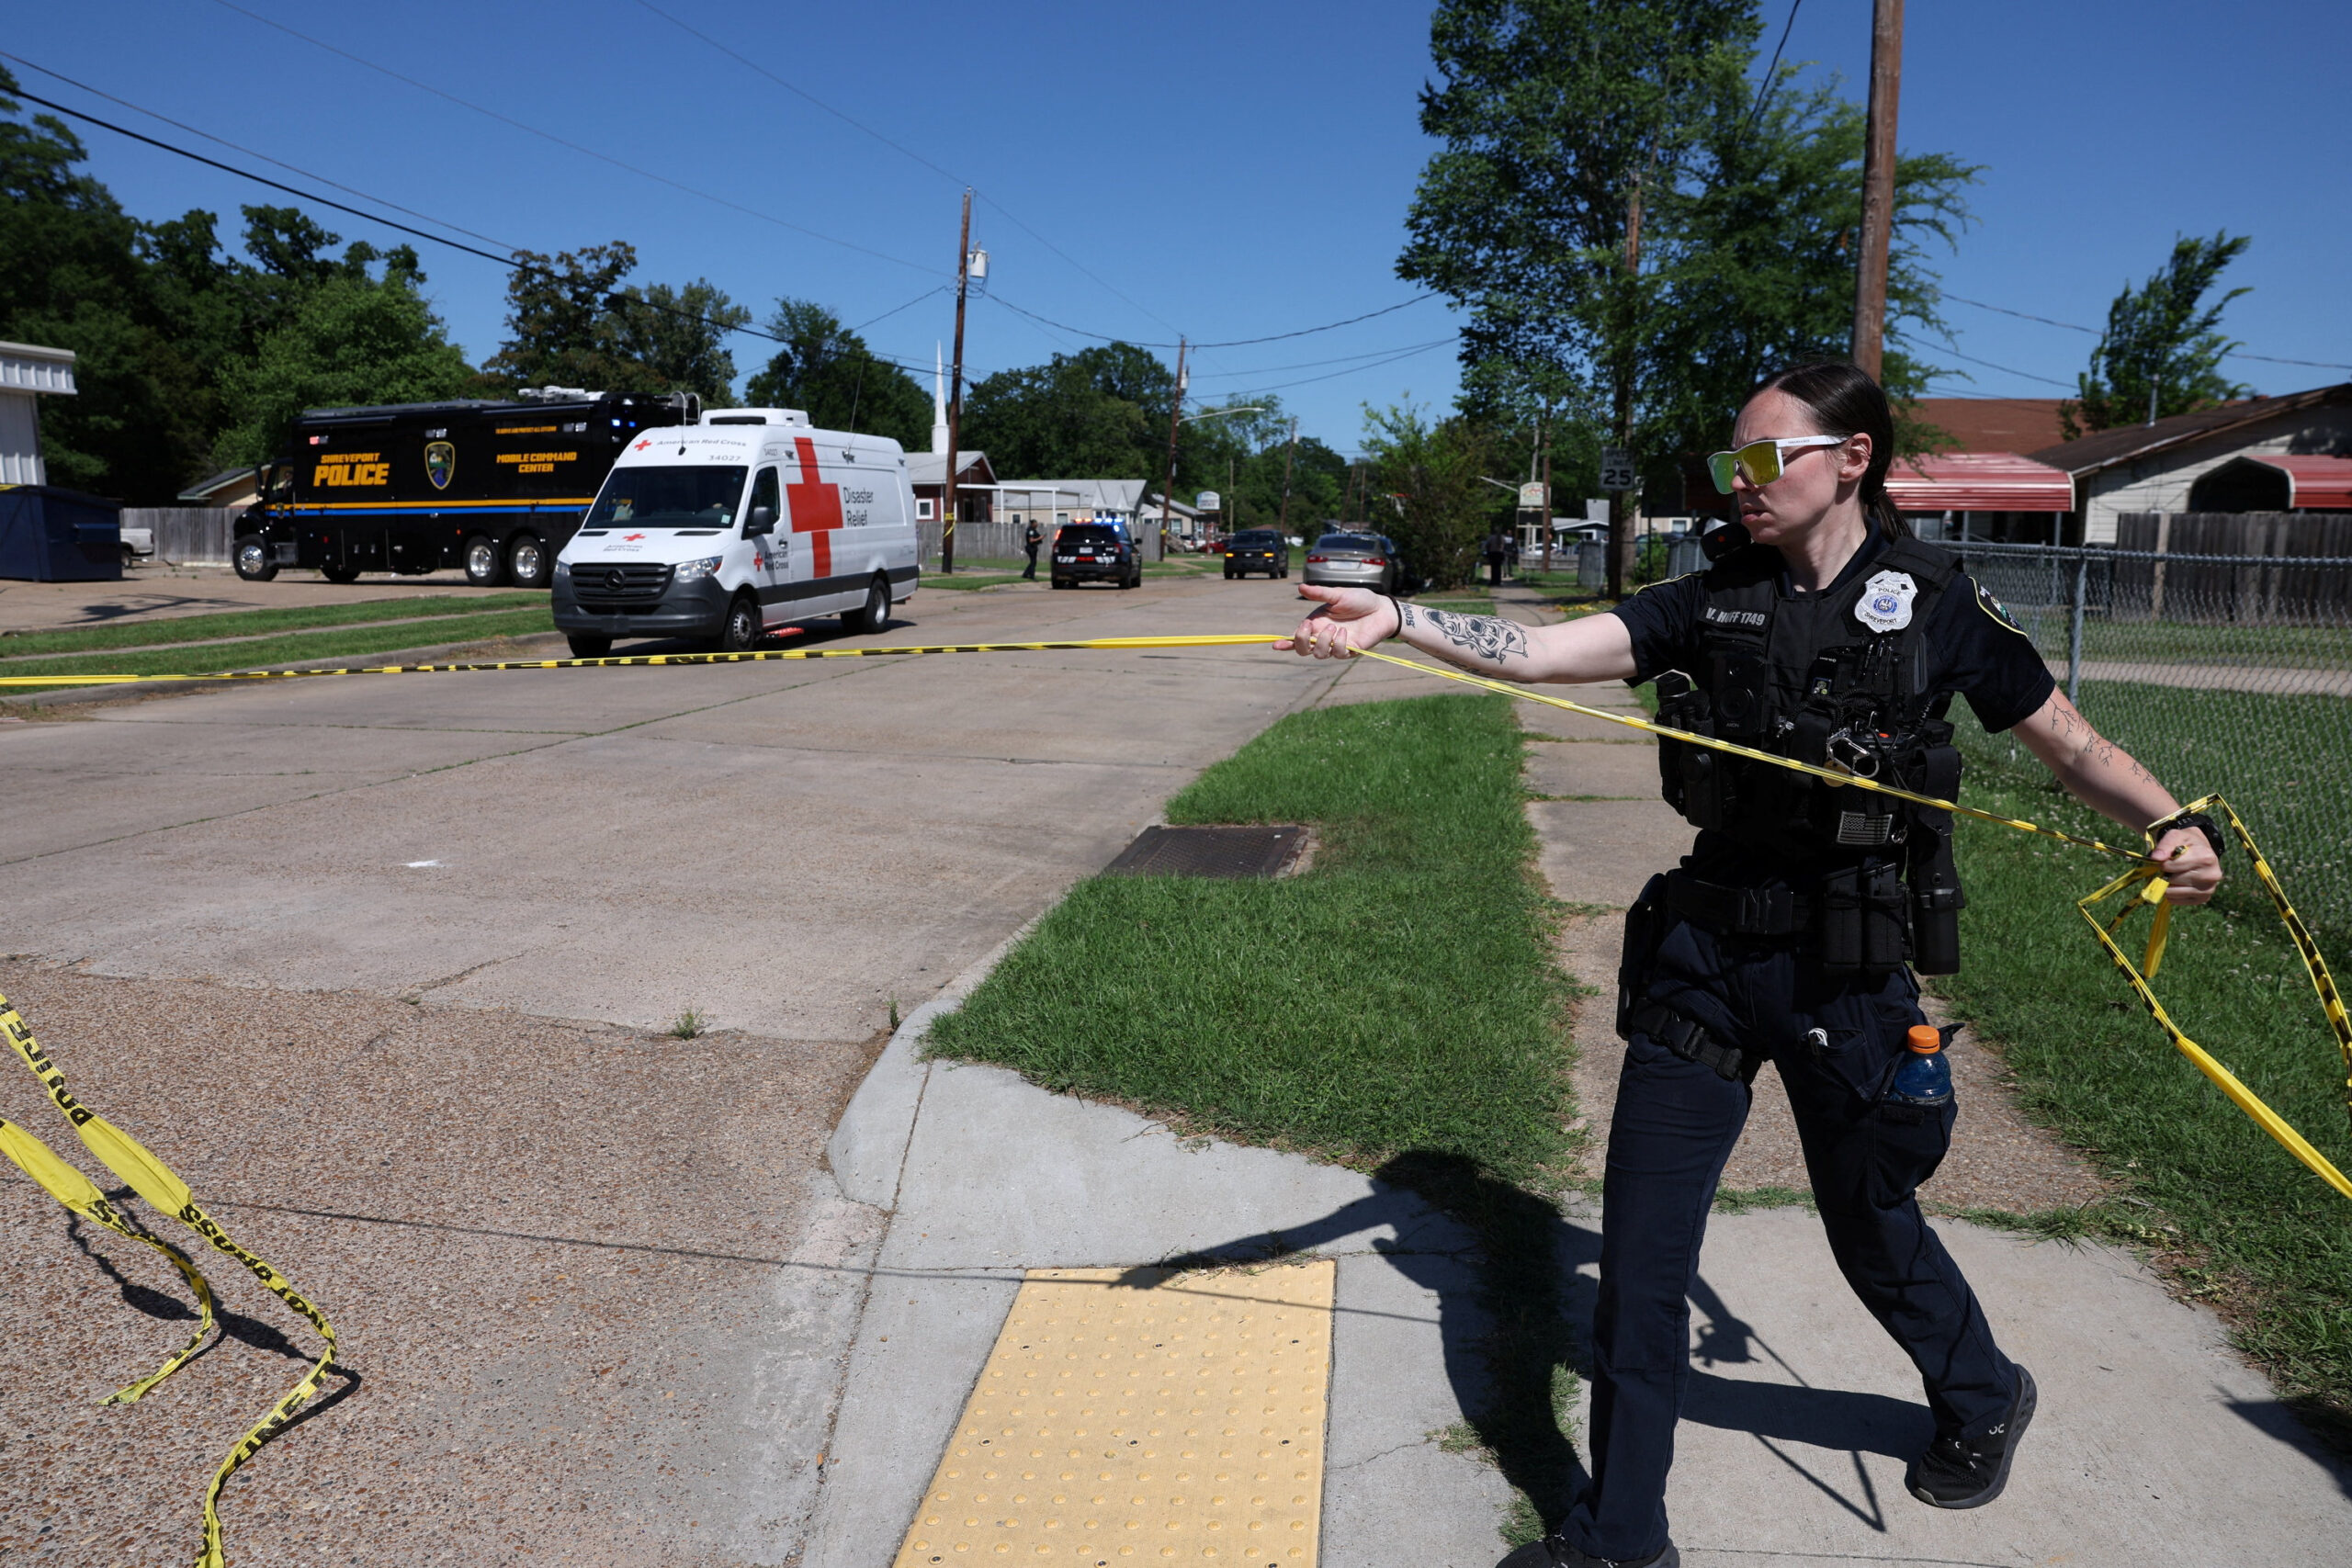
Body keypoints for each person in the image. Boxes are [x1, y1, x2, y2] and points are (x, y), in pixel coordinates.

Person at [1283, 361, 2223, 1568]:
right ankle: (1623, 1535)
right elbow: (1535, 648)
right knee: (1639, 1260)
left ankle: (1981, 1388)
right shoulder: (1709, 594)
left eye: (1764, 460)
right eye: (1730, 464)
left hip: (1848, 970)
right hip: (1705, 959)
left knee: (1869, 1225)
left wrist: (2168, 822)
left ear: (1851, 460)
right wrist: (1399, 618)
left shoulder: (1935, 605)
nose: (1741, 484)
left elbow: (2069, 740)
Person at [1022, 517, 1045, 581]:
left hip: (1033, 548)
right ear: (1032, 524)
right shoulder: (1031, 531)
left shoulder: (1033, 530)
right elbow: (1031, 540)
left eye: (1037, 524)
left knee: (1033, 562)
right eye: (1035, 524)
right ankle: (1032, 576)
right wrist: (1040, 538)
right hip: (1031, 548)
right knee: (1033, 562)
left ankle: (1025, 574)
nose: (1037, 525)